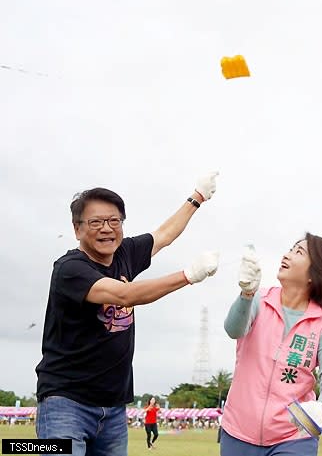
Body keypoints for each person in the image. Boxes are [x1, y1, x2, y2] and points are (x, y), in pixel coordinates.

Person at [35, 172, 220, 456]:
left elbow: (164, 235)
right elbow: (124, 294)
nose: (106, 228)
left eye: (114, 221)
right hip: (65, 403)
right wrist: (188, 275)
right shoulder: (69, 269)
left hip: (114, 408)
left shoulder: (124, 254)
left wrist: (197, 197)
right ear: (77, 229)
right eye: (95, 222)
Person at [220, 234, 322, 456]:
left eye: (298, 252)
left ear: (314, 273)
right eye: (291, 249)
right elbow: (233, 329)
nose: (287, 255)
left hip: (294, 436)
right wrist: (246, 294)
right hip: (238, 432)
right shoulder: (259, 300)